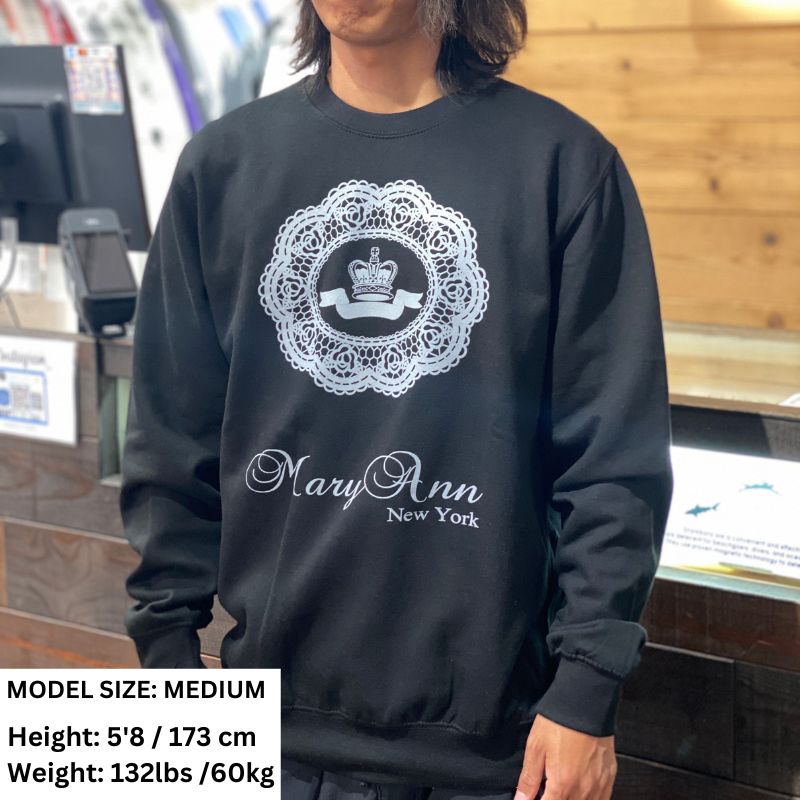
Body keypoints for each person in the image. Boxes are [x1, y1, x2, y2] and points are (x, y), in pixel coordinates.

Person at [119, 1, 674, 799]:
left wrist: (586, 692)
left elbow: (612, 459)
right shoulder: (224, 165)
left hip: (498, 754)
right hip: (264, 740)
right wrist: (167, 662)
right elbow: (172, 438)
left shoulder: (562, 165)